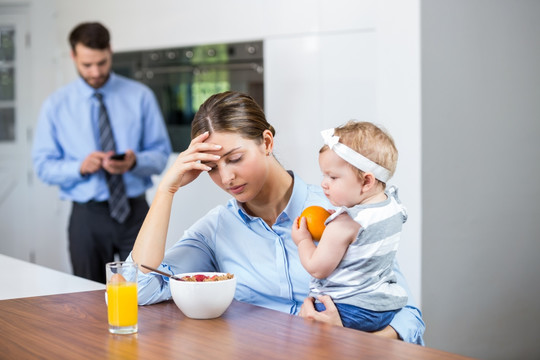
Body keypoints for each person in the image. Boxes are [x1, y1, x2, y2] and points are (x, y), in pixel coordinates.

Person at [129, 91, 425, 344]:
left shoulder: (343, 212)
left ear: (267, 142)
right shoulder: (216, 230)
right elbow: (141, 289)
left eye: (234, 159)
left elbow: (409, 318)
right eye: (212, 168)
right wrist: (166, 189)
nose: (227, 177)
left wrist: (350, 341)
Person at [32, 22, 172, 283]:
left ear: (110, 50)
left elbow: (161, 154)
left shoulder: (140, 96)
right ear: (73, 56)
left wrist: (134, 162)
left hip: (136, 213)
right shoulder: (56, 105)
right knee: (87, 296)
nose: (95, 71)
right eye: (87, 65)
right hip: (87, 217)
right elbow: (42, 166)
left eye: (102, 62)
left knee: (148, 288)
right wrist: (79, 167)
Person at [291, 121, 408, 332]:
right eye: (324, 175)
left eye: (333, 177)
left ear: (366, 182)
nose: (324, 184)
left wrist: (304, 241)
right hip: (383, 308)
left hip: (347, 310)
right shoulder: (393, 207)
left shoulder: (345, 223)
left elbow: (317, 268)